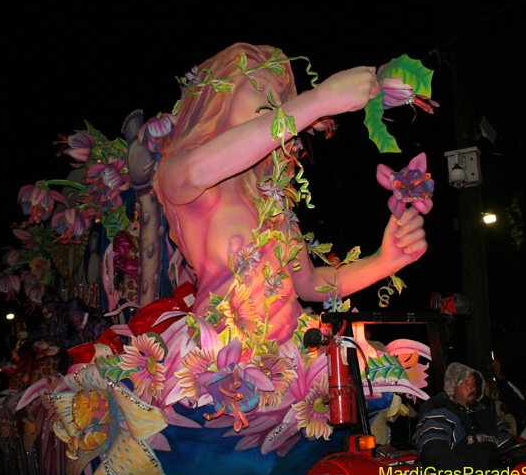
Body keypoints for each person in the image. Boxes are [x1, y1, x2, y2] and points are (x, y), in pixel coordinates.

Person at [153, 43, 428, 345]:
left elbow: (308, 284)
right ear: (220, 96)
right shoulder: (178, 172)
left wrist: (384, 261)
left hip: (293, 356)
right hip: (225, 359)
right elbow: (195, 172)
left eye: (281, 100)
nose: (275, 106)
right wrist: (318, 101)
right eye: (261, 90)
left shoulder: (271, 196)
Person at [414, 362, 515, 475]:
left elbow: (506, 443)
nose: (472, 387)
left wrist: (523, 458)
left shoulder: (485, 413)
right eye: (465, 383)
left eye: (474, 382)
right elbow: (433, 450)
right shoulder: (440, 412)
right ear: (452, 387)